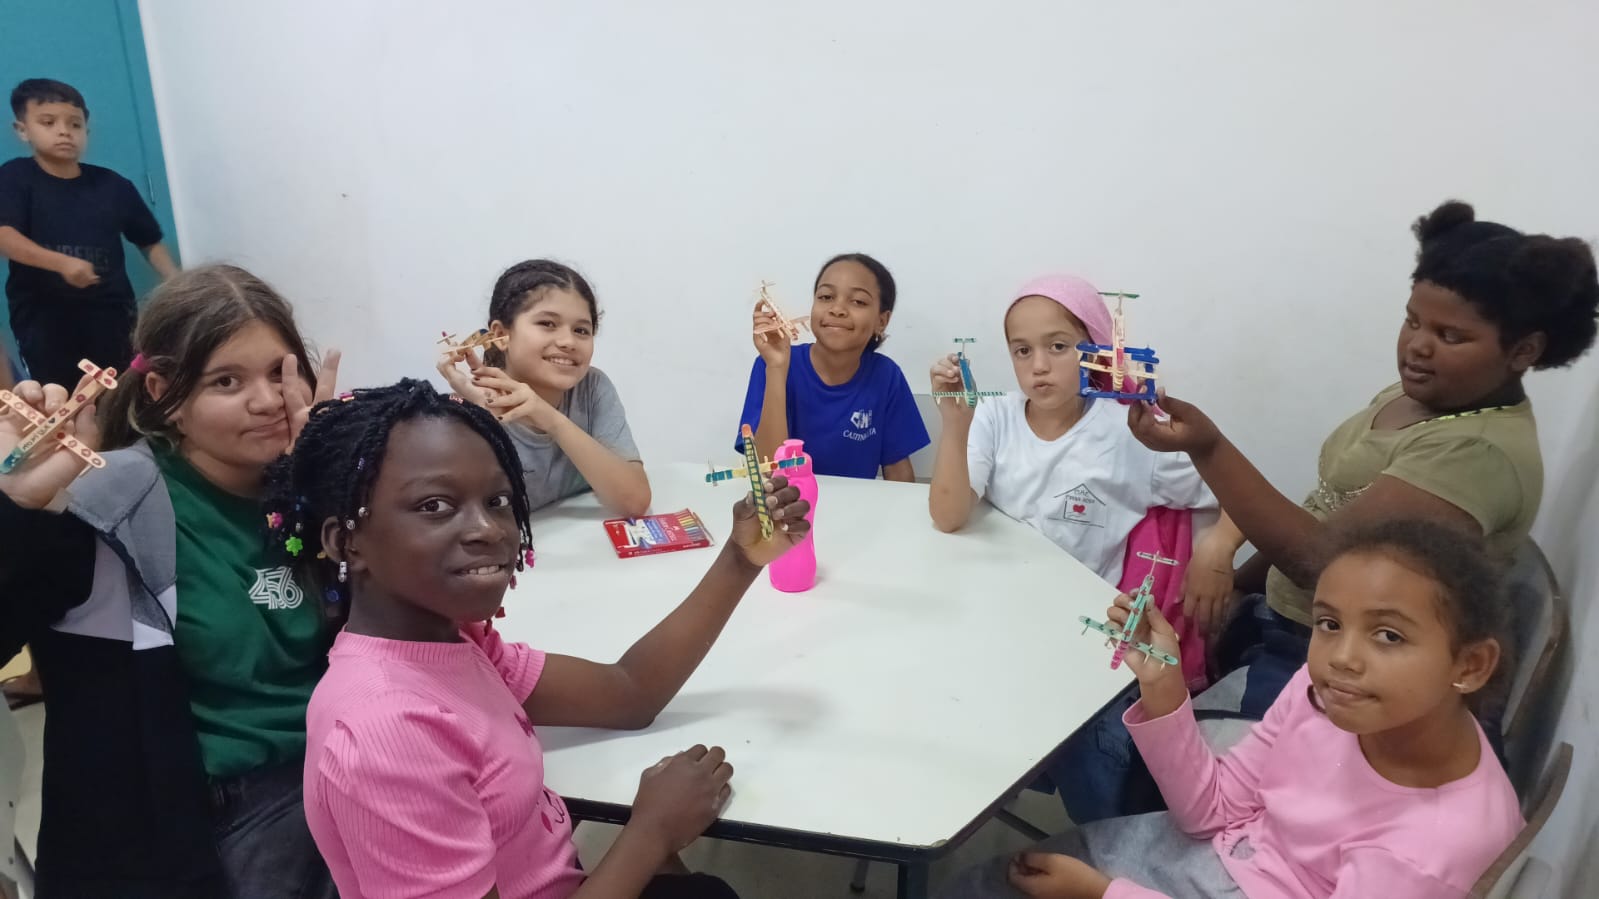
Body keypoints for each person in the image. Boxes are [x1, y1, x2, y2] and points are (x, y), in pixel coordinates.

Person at [269, 378, 811, 898]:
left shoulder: (453, 644)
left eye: (499, 501)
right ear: (346, 543)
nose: (488, 529)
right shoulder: (386, 733)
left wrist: (740, 560)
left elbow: (629, 691)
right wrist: (650, 833)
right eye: (434, 505)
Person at [1132, 200, 1599, 717]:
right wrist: (1242, 588)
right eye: (1413, 321)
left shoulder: (1476, 452)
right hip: (1283, 621)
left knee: (1152, 732)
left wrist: (1208, 447)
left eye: (1450, 336)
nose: (1418, 346)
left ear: (1524, 350)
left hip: (1338, 665)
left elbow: (1320, 556)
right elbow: (1327, 510)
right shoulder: (1420, 396)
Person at [940, 520, 1522, 899]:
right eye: (1329, 623)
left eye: (1388, 636)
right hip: (1217, 857)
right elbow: (1212, 810)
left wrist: (1105, 894)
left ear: (1470, 664)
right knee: (978, 886)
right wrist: (1164, 684)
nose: (1342, 657)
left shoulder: (1429, 848)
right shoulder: (1323, 696)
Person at [0, 265, 338, 898]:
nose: (267, 401)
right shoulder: (111, 498)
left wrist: (339, 472)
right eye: (226, 381)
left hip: (345, 764)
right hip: (215, 821)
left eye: (279, 373)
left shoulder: (309, 489)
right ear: (164, 394)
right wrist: (19, 508)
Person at [928, 273, 1215, 587]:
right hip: (997, 589)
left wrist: (1217, 548)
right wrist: (955, 423)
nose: (1039, 366)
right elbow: (948, 517)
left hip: (1082, 605)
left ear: (1093, 352)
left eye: (1057, 346)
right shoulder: (994, 416)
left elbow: (1227, 493)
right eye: (1022, 351)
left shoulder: (1132, 432)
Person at [0, 78, 178, 389]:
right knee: (60, 396)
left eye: (75, 124)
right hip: (44, 320)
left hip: (113, 316)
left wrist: (177, 281)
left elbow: (149, 240)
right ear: (22, 130)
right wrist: (62, 263)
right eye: (48, 122)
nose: (64, 131)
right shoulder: (15, 177)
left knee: (121, 392)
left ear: (86, 131)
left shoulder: (114, 186)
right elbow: (5, 237)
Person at [439, 259, 650, 515]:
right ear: (500, 335)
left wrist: (549, 418)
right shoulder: (469, 410)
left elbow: (634, 501)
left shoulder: (592, 388)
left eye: (581, 330)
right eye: (548, 324)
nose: (568, 341)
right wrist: (484, 420)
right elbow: (465, 520)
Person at [736, 252, 929, 480]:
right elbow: (768, 471)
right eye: (826, 297)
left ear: (881, 321)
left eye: (858, 301)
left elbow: (897, 469)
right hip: (785, 499)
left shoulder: (886, 376)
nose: (837, 309)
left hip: (855, 502)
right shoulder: (771, 364)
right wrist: (777, 368)